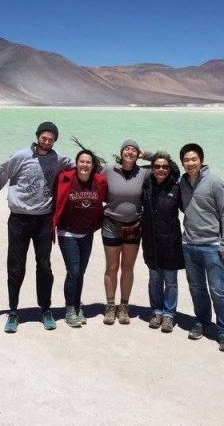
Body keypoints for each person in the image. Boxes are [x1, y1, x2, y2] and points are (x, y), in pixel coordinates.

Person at [0, 122, 72, 333]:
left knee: (45, 266)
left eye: (51, 139)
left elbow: (81, 168)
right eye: (44, 138)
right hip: (19, 220)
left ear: (55, 141)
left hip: (43, 221)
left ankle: (46, 310)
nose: (47, 142)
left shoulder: (59, 159)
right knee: (16, 266)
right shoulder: (20, 156)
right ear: (38, 136)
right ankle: (13, 312)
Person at [178, 143, 224, 352]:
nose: (190, 163)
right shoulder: (182, 182)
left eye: (193, 159)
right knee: (197, 288)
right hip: (189, 244)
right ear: (182, 162)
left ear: (201, 160)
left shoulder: (215, 183)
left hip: (212, 246)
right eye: (186, 160)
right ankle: (203, 321)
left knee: (218, 291)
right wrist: (144, 154)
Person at [52, 147, 108, 328]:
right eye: (82, 161)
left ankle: (77, 306)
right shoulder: (64, 178)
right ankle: (70, 309)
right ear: (76, 163)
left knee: (81, 273)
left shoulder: (99, 181)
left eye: (88, 162)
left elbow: (106, 200)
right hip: (67, 232)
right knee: (73, 271)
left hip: (87, 233)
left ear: (93, 165)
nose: (85, 165)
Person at [101, 139, 152, 325]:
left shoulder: (144, 172)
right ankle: (110, 306)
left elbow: (168, 166)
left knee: (128, 268)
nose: (130, 152)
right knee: (111, 267)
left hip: (134, 225)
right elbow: (95, 186)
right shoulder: (108, 170)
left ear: (138, 154)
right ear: (121, 152)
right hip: (111, 224)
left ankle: (124, 306)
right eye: (127, 149)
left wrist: (147, 155)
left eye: (134, 150)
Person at [140, 151, 184, 334]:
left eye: (165, 167)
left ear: (170, 168)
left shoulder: (176, 187)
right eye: (157, 166)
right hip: (151, 239)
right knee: (154, 280)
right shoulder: (146, 185)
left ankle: (169, 315)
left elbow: (189, 209)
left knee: (171, 281)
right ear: (151, 168)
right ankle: (156, 312)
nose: (161, 169)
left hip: (171, 241)